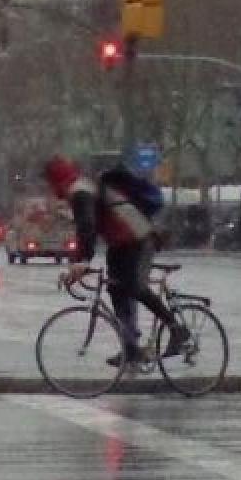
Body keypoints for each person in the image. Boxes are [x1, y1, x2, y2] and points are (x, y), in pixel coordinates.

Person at [43, 156, 189, 365]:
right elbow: (87, 228)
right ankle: (130, 348)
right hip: (119, 243)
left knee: (135, 286)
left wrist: (82, 260)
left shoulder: (79, 191)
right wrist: (81, 260)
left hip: (138, 239)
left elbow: (87, 227)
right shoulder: (81, 188)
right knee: (116, 290)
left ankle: (176, 328)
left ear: (55, 180)